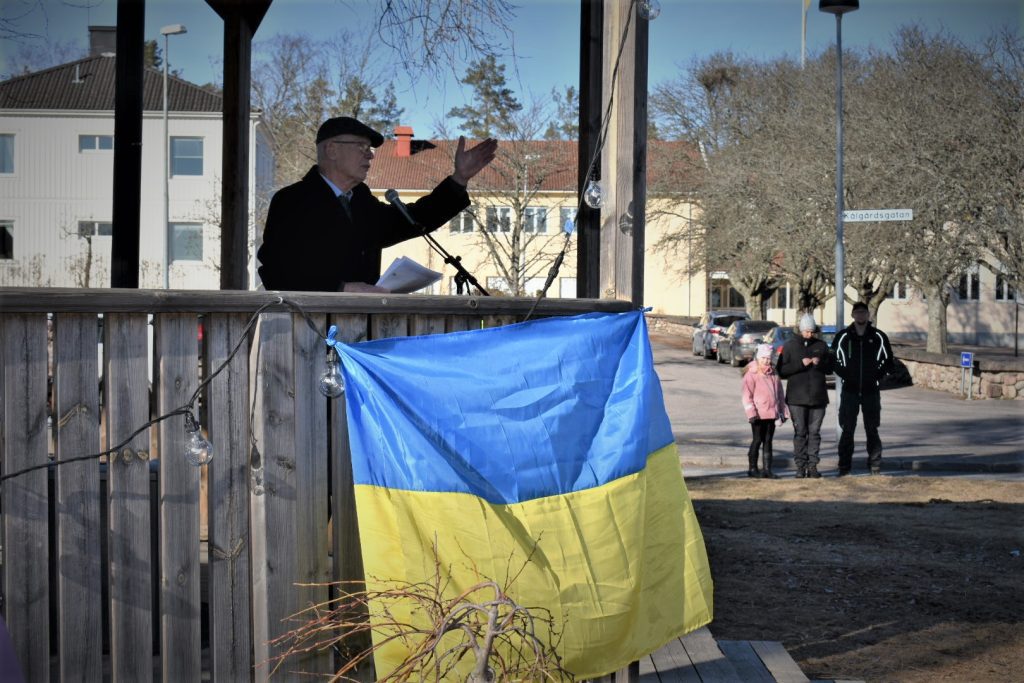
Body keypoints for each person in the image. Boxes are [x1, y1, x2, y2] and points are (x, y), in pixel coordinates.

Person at [257, 116, 498, 292]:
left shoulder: (362, 201)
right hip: (309, 332)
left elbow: (413, 221)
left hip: (364, 328)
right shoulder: (292, 201)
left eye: (369, 149)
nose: (370, 155)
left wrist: (459, 179)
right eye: (361, 147)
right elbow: (276, 271)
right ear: (331, 150)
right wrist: (341, 288)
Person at [830, 302, 895, 476]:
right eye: (857, 312)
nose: (860, 315)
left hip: (871, 391)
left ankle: (874, 465)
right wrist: (846, 374)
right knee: (847, 429)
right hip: (850, 390)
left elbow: (889, 361)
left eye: (863, 312)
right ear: (852, 315)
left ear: (868, 315)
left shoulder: (879, 337)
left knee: (872, 429)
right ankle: (844, 467)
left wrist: (876, 375)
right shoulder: (843, 337)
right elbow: (833, 360)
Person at [776, 314, 833, 479]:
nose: (809, 334)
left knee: (814, 432)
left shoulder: (821, 346)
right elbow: (782, 370)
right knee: (800, 432)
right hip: (796, 398)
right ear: (801, 330)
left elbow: (830, 367)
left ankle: (813, 466)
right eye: (806, 331)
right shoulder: (790, 346)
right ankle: (800, 467)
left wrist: (820, 363)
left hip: (818, 397)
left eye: (811, 331)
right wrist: (801, 364)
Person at [741, 343, 790, 478]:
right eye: (763, 358)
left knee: (768, 440)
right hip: (757, 414)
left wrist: (782, 411)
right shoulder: (751, 374)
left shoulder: (774, 374)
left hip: (771, 413)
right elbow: (747, 395)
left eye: (768, 358)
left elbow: (779, 394)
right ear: (758, 358)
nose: (766, 361)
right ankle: (752, 468)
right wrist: (751, 413)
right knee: (757, 440)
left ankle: (767, 469)